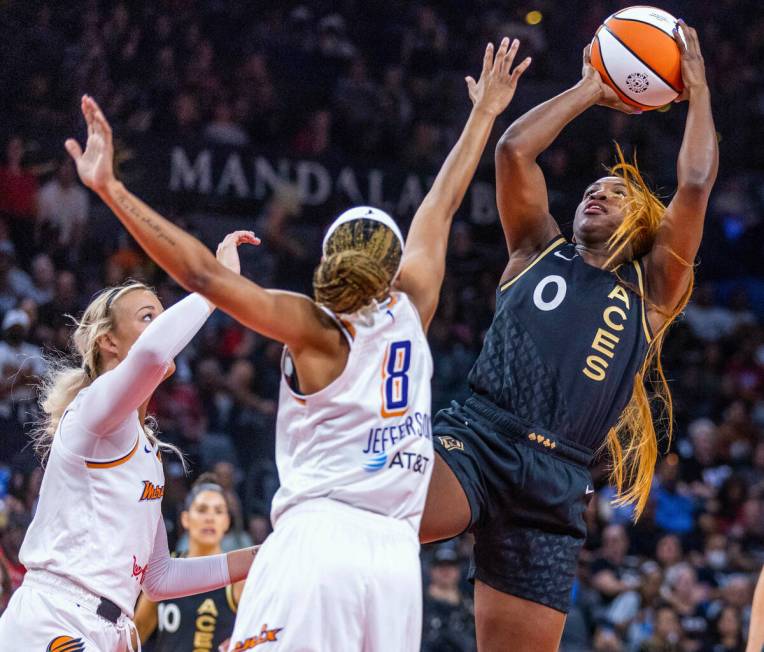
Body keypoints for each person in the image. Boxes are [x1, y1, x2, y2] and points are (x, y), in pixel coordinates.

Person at [65, 37, 531, 652]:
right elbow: (438, 209)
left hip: (322, 542)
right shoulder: (412, 306)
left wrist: (111, 190)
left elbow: (203, 275)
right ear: (391, 266)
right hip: (394, 557)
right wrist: (482, 114)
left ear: (329, 260)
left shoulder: (318, 326)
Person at [420, 21, 718, 652]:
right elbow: (513, 152)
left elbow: (693, 184)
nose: (596, 195)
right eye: (591, 189)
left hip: (557, 482)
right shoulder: (535, 249)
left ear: (641, 218)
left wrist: (698, 90)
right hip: (479, 437)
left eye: (614, 193)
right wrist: (589, 87)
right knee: (372, 516)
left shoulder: (652, 291)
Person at [0, 238, 258, 649]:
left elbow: (158, 579)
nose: (160, 327)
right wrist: (215, 286)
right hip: (55, 617)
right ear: (109, 341)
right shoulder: (93, 411)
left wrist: (260, 557)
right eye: (147, 317)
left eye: (162, 317)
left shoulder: (149, 453)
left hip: (107, 627)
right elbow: (153, 355)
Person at [133, 473, 246, 651]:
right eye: (202, 510)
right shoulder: (164, 568)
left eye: (218, 511)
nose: (210, 518)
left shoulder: (237, 579)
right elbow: (138, 631)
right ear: (185, 518)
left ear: (226, 522)